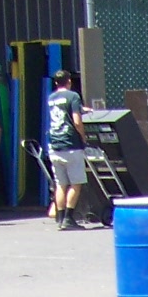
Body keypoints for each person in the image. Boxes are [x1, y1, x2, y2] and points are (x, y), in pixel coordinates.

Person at [46, 68, 87, 229]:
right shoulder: (73, 96)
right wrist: (83, 137)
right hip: (71, 145)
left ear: (56, 82)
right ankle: (69, 218)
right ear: (69, 81)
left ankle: (60, 218)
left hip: (55, 145)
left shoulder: (51, 97)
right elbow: (76, 121)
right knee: (76, 183)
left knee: (61, 184)